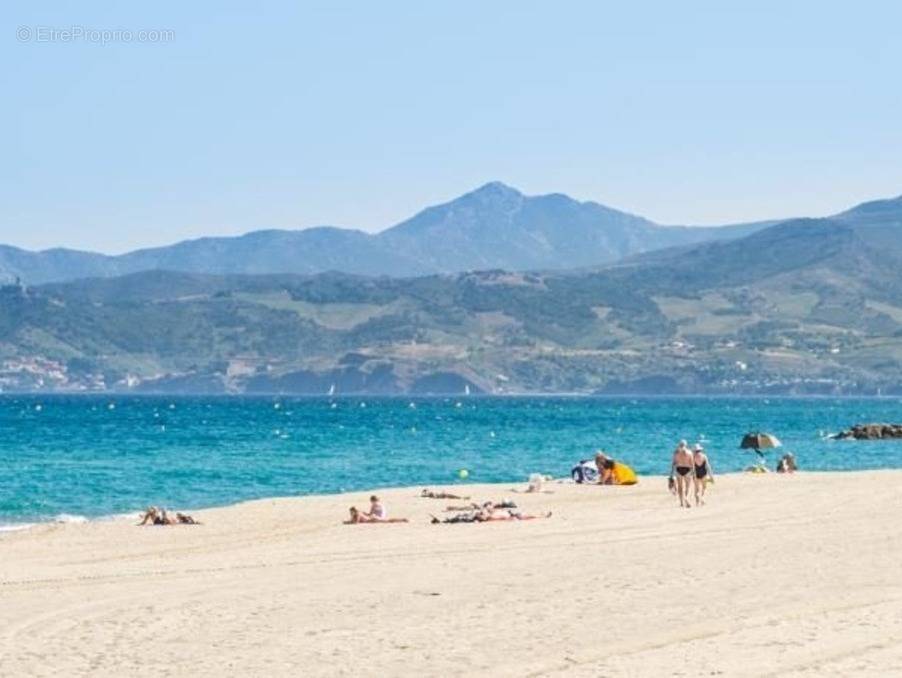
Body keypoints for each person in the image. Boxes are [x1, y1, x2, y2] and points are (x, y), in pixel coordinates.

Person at [671, 440, 694, 508]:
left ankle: (681, 502)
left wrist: (671, 473)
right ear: (686, 445)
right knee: (687, 486)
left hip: (679, 469)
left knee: (680, 487)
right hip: (687, 469)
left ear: (679, 445)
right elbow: (692, 463)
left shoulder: (676, 452)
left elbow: (673, 463)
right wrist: (694, 473)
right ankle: (686, 497)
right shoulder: (689, 452)